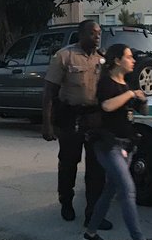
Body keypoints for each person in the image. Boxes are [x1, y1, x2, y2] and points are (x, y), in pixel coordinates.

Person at [84, 43, 152, 240]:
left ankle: (91, 232)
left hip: (127, 146)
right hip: (108, 147)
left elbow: (141, 112)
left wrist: (142, 100)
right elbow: (107, 106)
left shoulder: (125, 84)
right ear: (117, 60)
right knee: (128, 190)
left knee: (109, 191)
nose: (133, 60)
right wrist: (130, 95)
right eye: (129, 57)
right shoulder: (106, 84)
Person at [42, 20, 108, 228]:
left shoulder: (103, 58)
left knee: (96, 168)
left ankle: (93, 214)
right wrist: (47, 124)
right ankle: (66, 202)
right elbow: (49, 93)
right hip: (70, 117)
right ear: (81, 35)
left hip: (94, 118)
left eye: (98, 33)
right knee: (69, 163)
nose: (97, 37)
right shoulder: (65, 56)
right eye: (92, 33)